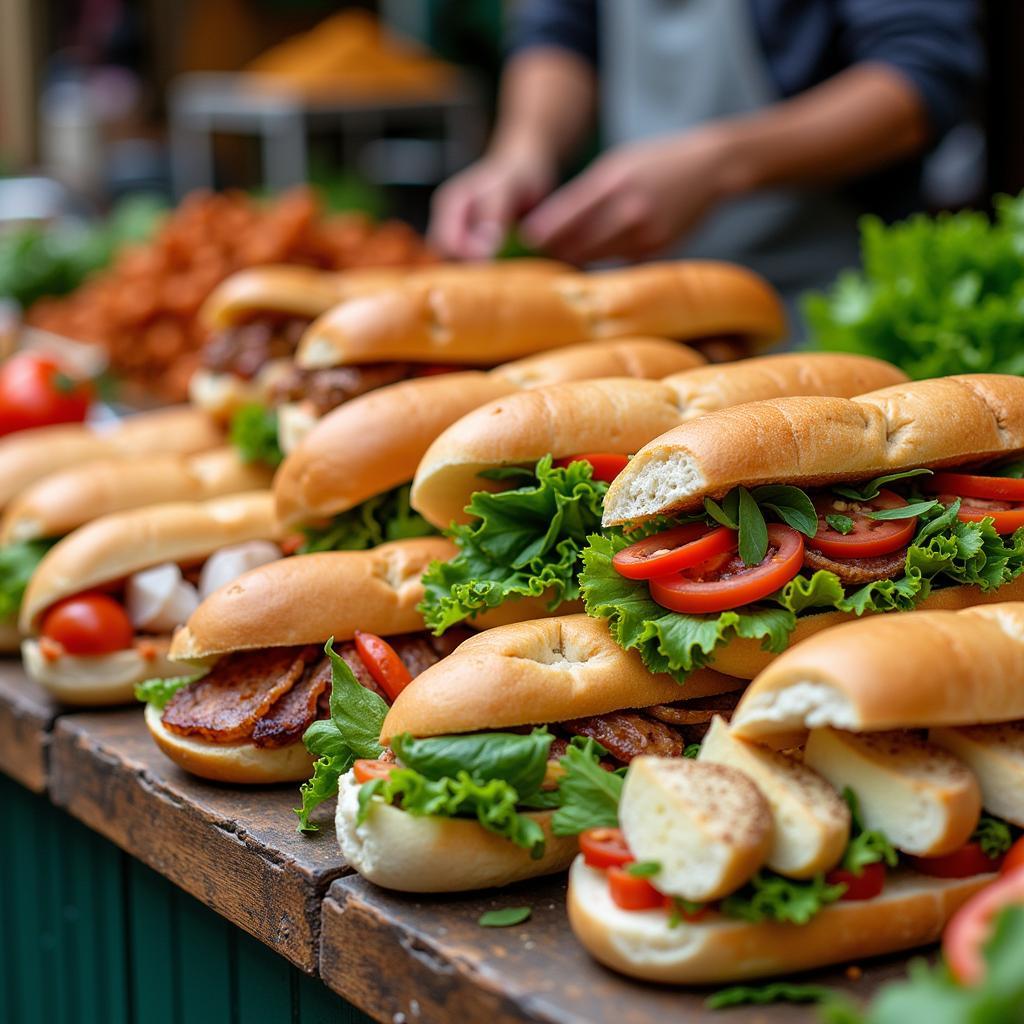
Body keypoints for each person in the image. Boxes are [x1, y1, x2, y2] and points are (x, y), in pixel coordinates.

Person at [430, 0, 983, 317]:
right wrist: (522, 150)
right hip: (639, 299)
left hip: (829, 300)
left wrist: (720, 163)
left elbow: (920, 76)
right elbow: (559, 32)